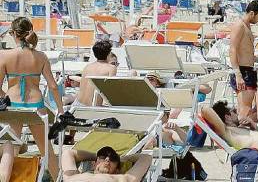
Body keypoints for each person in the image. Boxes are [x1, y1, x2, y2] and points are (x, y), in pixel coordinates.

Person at [0, 17, 64, 177]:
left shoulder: (5, 55)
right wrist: (61, 110)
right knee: (46, 150)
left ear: (14, 33)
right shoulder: (41, 56)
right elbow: (53, 86)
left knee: (10, 149)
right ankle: (57, 179)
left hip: (13, 105)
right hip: (36, 105)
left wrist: (5, 97)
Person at [229, 0, 258, 119]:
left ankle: (238, 132)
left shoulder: (247, 26)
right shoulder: (239, 26)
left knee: (245, 108)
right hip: (243, 71)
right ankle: (238, 134)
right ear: (252, 13)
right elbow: (232, 50)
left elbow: (244, 51)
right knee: (245, 110)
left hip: (247, 70)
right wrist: (238, 75)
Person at [61, 147, 151, 182]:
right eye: (103, 157)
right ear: (93, 164)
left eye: (113, 158)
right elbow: (68, 153)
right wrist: (95, 156)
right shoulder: (72, 175)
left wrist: (124, 158)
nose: (107, 159)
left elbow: (146, 157)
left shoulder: (123, 179)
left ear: (117, 170)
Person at [73, 40, 118, 106]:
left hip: (77, 105)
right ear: (108, 54)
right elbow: (111, 92)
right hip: (92, 108)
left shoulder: (87, 67)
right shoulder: (111, 68)